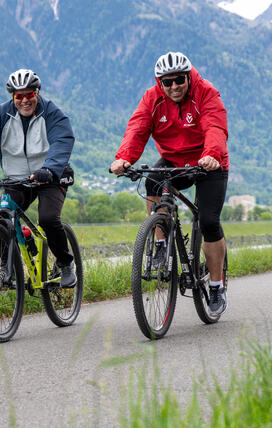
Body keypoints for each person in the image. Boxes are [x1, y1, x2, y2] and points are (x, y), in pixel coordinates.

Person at [110, 52, 229, 315]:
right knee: (152, 181)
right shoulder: (152, 98)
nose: (174, 86)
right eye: (167, 82)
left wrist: (211, 154)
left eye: (178, 80)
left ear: (188, 77)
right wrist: (123, 159)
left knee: (209, 221)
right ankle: (161, 244)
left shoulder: (206, 93)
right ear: (159, 83)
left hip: (209, 161)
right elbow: (138, 128)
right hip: (173, 160)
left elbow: (215, 127)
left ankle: (217, 285)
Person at [0, 68, 77, 287]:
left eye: (29, 95)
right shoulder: (3, 113)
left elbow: (63, 141)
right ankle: (7, 267)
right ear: (12, 96)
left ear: (37, 93)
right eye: (18, 96)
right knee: (1, 216)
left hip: (50, 176)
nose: (24, 100)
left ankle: (65, 264)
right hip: (17, 179)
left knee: (48, 219)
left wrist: (50, 169)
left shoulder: (52, 114)